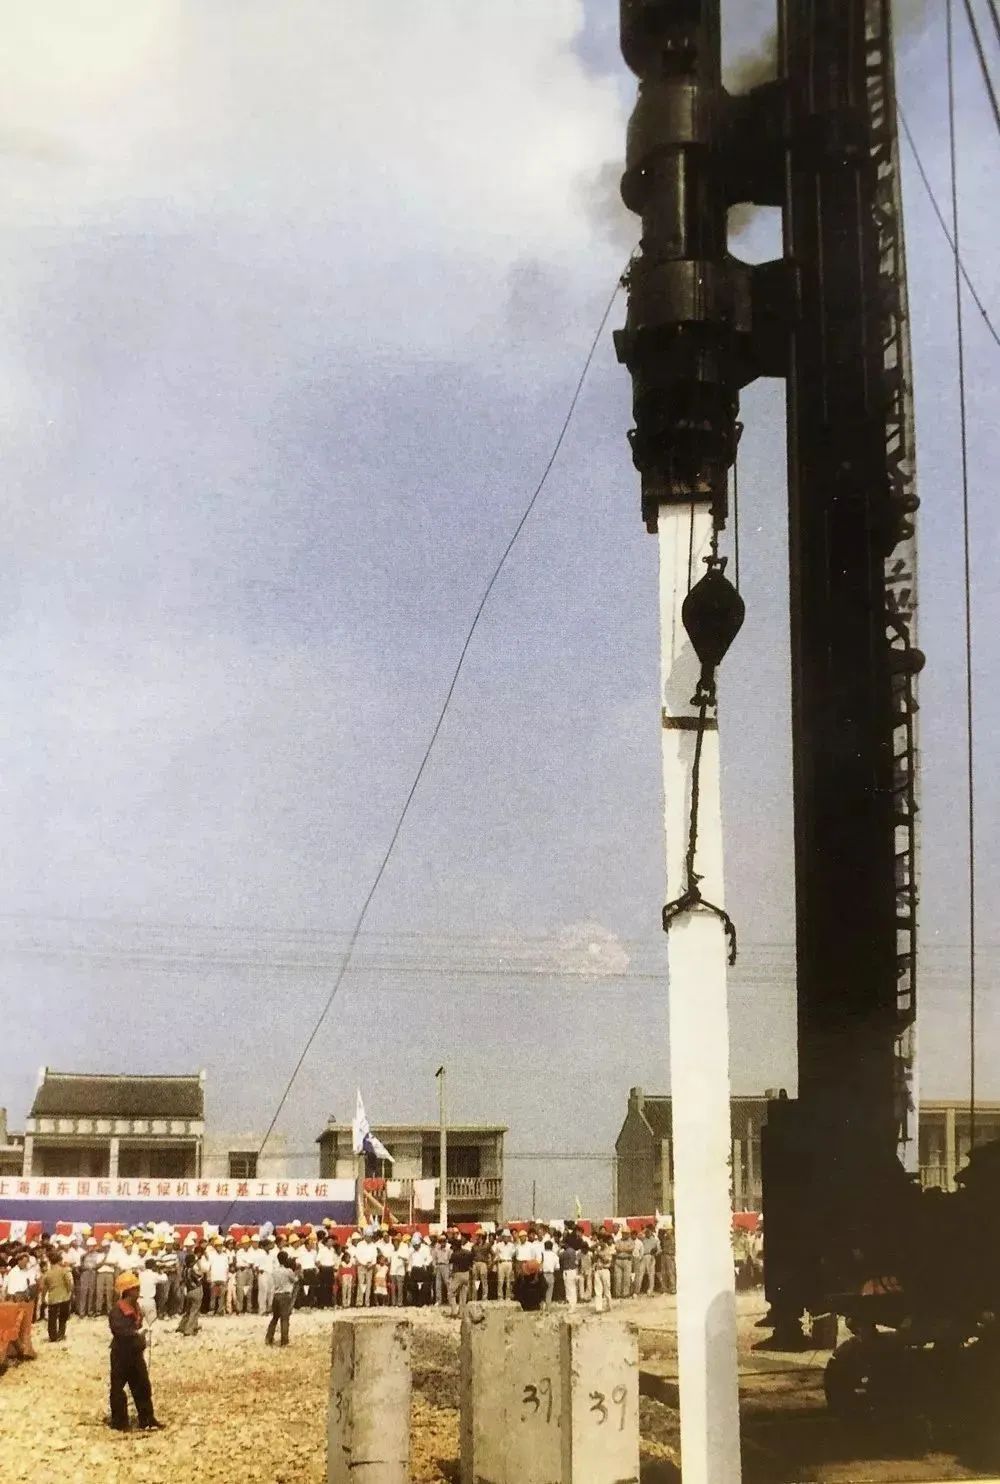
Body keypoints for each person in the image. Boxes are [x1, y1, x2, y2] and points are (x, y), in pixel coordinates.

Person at [108, 1272, 164, 1433]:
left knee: (143, 1387)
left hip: (135, 1352)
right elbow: (119, 1331)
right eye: (136, 1288)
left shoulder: (135, 1306)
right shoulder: (117, 1310)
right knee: (118, 1389)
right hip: (121, 1354)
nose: (138, 1291)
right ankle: (119, 1422)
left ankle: (147, 1419)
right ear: (128, 1291)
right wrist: (136, 1334)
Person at [5, 1251, 38, 1360]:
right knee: (15, 1327)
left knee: (26, 1327)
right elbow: (10, 1289)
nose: (25, 1264)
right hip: (15, 1301)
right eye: (24, 1262)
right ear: (18, 1261)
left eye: (26, 1262)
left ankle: (26, 1351)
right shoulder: (13, 1272)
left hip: (26, 1301)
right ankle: (14, 1351)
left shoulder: (28, 1271)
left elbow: (33, 1284)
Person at [265, 1250, 298, 1347]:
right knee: (285, 1319)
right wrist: (296, 1272)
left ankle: (269, 1338)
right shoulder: (288, 1271)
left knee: (275, 1318)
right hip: (285, 1296)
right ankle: (284, 1341)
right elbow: (295, 1280)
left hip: (276, 1295)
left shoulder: (274, 1271)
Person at [40, 1249, 74, 1342]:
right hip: (64, 1297)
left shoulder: (47, 1273)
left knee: (52, 1319)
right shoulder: (64, 1271)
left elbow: (44, 1287)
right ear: (59, 1261)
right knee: (63, 1318)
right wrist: (69, 1292)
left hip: (53, 1298)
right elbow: (69, 1283)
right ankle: (61, 1334)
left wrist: (43, 1298)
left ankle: (52, 1336)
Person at [176, 1252, 203, 1337]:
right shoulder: (192, 1270)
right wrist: (199, 1266)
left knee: (188, 1311)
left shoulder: (184, 1270)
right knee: (194, 1311)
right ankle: (189, 1329)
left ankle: (182, 1326)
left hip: (189, 1291)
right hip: (196, 1290)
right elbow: (199, 1277)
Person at [448, 1235, 474, 1317]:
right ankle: (461, 1313)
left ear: (455, 1246)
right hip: (466, 1274)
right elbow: (471, 1262)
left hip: (458, 1274)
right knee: (463, 1295)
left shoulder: (454, 1254)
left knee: (451, 1293)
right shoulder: (468, 1253)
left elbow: (451, 1264)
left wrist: (451, 1274)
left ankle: (454, 1311)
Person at [593, 1234, 614, 1314]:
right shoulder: (598, 1249)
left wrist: (599, 1254)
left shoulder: (608, 1250)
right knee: (598, 1290)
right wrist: (596, 1253)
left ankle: (609, 1306)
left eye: (601, 1241)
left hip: (605, 1270)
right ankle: (598, 1308)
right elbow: (594, 1259)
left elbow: (607, 1260)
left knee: (607, 1289)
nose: (600, 1243)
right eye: (599, 1241)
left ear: (604, 1242)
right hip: (598, 1270)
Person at [493, 1230, 515, 1301]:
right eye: (505, 1237)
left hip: (509, 1263)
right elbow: (495, 1254)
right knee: (500, 1281)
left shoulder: (512, 1245)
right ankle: (500, 1296)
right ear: (502, 1237)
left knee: (508, 1281)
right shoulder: (499, 1245)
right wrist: (498, 1258)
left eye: (508, 1237)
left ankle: (508, 1296)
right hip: (501, 1263)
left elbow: (513, 1255)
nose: (506, 1238)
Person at [559, 1237, 580, 1307]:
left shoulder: (565, 1252)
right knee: (573, 1288)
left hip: (568, 1271)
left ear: (566, 1244)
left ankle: (571, 1305)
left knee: (569, 1288)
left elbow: (559, 1256)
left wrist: (560, 1248)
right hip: (573, 1270)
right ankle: (573, 1304)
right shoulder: (573, 1251)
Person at [541, 1239, 559, 1308]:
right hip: (551, 1274)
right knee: (549, 1291)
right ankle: (548, 1307)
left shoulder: (542, 1253)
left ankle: (542, 1306)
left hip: (543, 1274)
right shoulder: (555, 1255)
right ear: (551, 1247)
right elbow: (557, 1268)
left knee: (542, 1291)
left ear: (544, 1246)